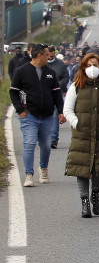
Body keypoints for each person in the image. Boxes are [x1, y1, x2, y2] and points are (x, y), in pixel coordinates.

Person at [62, 53, 99, 218]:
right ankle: (84, 201)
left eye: (95, 64)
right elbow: (68, 109)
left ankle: (95, 193)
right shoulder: (76, 85)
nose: (92, 68)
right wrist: (77, 123)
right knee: (81, 168)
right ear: (83, 67)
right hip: (82, 134)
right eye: (88, 65)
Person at [9, 44, 65, 187]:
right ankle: (29, 174)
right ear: (40, 55)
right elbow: (13, 92)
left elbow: (57, 93)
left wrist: (60, 111)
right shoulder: (22, 71)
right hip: (29, 115)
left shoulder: (50, 72)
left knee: (46, 145)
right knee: (29, 143)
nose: (49, 57)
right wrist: (20, 109)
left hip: (47, 115)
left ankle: (43, 169)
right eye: (47, 55)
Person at [47, 46, 70, 149]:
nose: (50, 57)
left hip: (57, 93)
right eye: (49, 55)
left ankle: (53, 139)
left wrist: (59, 85)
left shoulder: (60, 64)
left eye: (52, 55)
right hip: (44, 93)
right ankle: (44, 138)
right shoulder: (43, 64)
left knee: (56, 115)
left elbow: (66, 77)